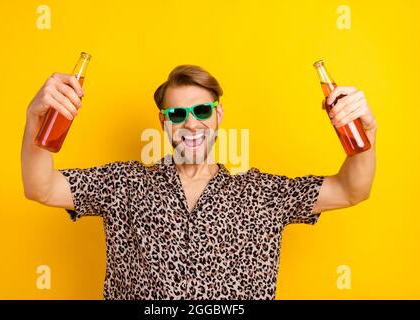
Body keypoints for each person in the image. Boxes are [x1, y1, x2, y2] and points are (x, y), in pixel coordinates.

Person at [21, 65, 377, 299]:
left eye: (202, 111)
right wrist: (35, 119)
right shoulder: (124, 183)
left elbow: (352, 190)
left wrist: (366, 132)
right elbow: (42, 187)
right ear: (163, 121)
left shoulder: (263, 193)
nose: (191, 124)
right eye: (177, 114)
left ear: (218, 113)